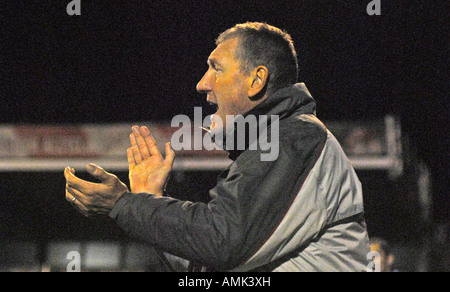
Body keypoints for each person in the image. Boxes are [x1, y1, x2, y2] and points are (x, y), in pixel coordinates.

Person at [64, 22, 370, 272]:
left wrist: (125, 205)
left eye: (217, 69)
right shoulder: (274, 142)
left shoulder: (294, 138)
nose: (202, 83)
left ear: (256, 80)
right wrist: (149, 199)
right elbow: (207, 265)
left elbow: (221, 240)